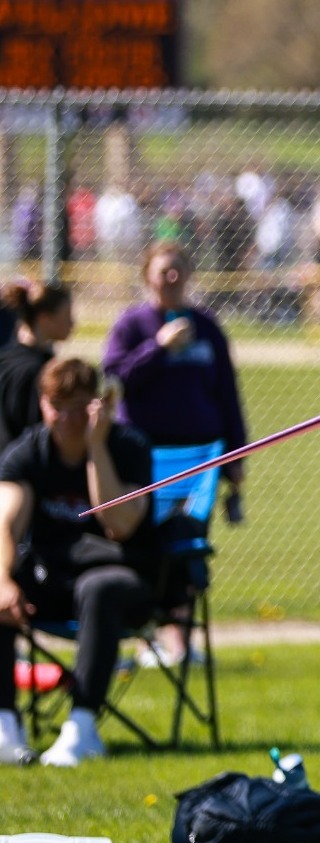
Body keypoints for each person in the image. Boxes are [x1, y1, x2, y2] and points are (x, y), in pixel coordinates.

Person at [0, 358, 158, 767]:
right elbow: (6, 523)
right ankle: (5, 725)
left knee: (98, 587)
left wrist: (96, 446)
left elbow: (119, 524)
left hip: (124, 581)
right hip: (53, 581)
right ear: (42, 403)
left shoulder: (129, 448)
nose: (66, 417)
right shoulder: (28, 453)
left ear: (97, 405)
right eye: (57, 405)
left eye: (78, 406)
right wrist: (3, 581)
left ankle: (82, 727)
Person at [102, 243, 249, 526]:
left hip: (200, 457)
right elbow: (116, 381)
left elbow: (227, 393)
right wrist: (158, 348)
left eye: (178, 271)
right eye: (164, 272)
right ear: (147, 277)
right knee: (144, 536)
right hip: (145, 455)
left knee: (189, 539)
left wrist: (236, 454)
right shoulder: (131, 325)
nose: (172, 279)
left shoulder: (207, 327)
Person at [0, 280, 73, 455]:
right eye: (67, 315)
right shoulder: (37, 370)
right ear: (44, 319)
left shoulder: (5, 359)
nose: (72, 323)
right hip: (16, 469)